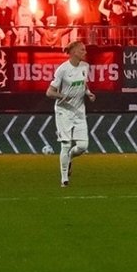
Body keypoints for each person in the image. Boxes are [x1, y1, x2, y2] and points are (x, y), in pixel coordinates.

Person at [46, 40, 94, 186]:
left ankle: (70, 158)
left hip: (79, 112)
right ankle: (64, 179)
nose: (85, 52)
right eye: (82, 50)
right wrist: (62, 96)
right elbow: (49, 92)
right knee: (65, 144)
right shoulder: (62, 69)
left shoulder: (85, 67)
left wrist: (89, 93)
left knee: (83, 146)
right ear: (73, 52)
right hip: (63, 111)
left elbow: (83, 84)